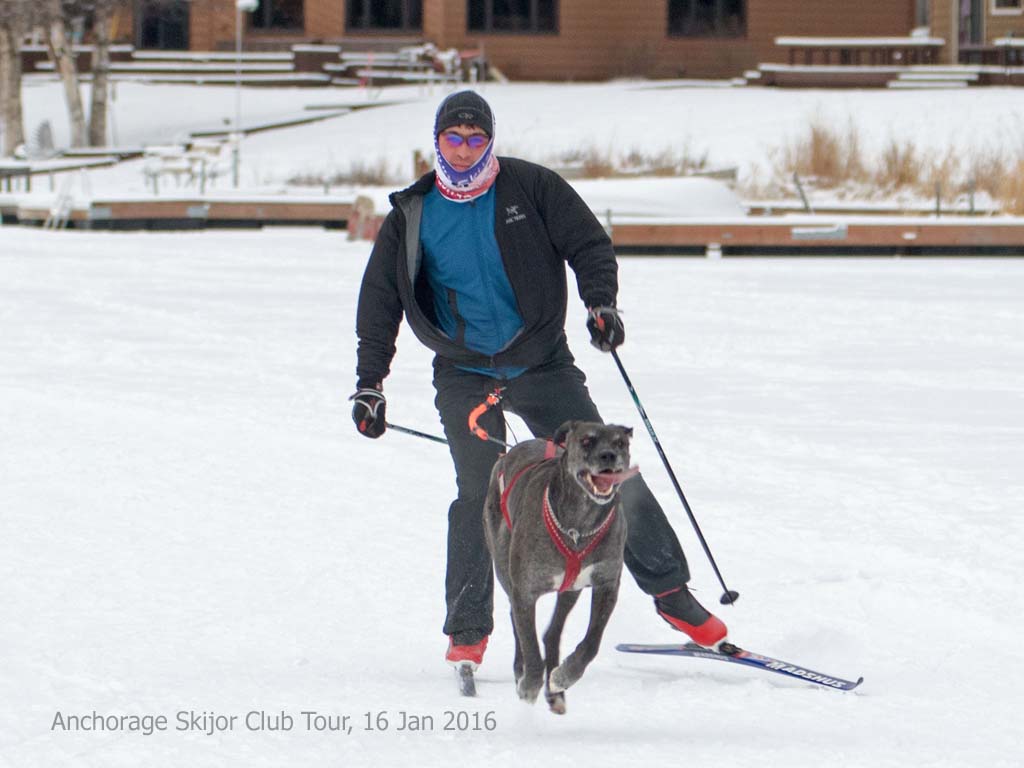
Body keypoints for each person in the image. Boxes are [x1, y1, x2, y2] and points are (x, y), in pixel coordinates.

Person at [351, 90, 728, 669]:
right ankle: (469, 631)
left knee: (611, 471)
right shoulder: (413, 213)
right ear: (437, 143)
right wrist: (370, 383)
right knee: (480, 495)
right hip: (465, 373)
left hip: (541, 361)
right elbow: (380, 303)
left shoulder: (532, 188)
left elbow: (589, 246)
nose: (464, 149)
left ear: (491, 141)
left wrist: (601, 305)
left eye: (476, 139)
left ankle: (672, 593)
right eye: (453, 138)